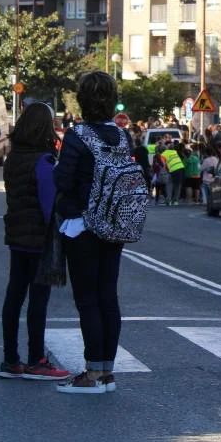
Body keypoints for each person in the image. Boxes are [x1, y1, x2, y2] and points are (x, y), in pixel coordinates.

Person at [54, 72, 131, 394]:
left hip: (83, 225)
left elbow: (63, 180)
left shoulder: (77, 135)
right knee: (108, 297)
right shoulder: (123, 136)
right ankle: (107, 372)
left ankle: (92, 373)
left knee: (87, 299)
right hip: (115, 224)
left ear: (83, 100)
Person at [0, 102, 70, 380]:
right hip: (39, 238)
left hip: (16, 233)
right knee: (38, 300)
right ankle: (36, 359)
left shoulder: (13, 157)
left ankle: (10, 360)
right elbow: (49, 203)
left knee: (14, 295)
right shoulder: (44, 161)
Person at [161, 140, 185, 205]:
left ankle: (169, 200)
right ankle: (176, 201)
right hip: (181, 167)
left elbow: (163, 165)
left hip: (173, 169)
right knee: (178, 185)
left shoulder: (163, 155)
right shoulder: (174, 151)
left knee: (170, 185)